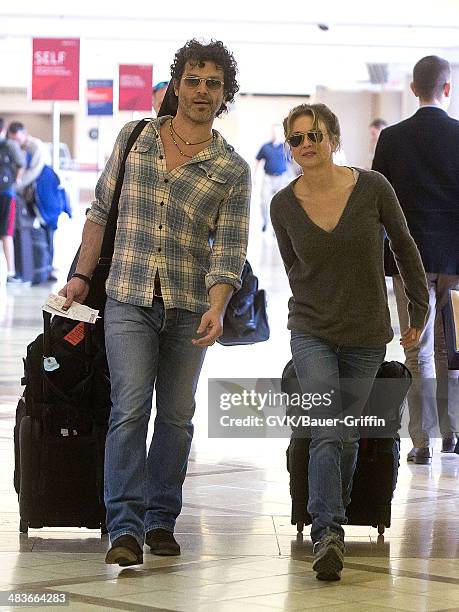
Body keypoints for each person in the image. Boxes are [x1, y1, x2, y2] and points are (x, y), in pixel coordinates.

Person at [58, 39, 251, 567]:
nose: (202, 91)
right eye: (194, 80)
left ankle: (161, 518)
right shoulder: (136, 137)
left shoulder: (230, 168)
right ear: (176, 85)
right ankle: (124, 526)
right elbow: (100, 211)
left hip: (191, 305)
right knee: (130, 408)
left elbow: (229, 249)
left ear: (224, 94)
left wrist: (217, 305)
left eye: (214, 83)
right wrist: (79, 276)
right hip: (129, 296)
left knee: (177, 415)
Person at [271, 103, 428, 581]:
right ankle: (327, 532)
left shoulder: (373, 188)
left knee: (344, 431)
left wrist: (418, 310)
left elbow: (403, 246)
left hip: (365, 334)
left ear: (334, 138)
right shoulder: (283, 205)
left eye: (314, 134)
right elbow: (293, 267)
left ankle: (330, 524)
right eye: (296, 139)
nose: (306, 145)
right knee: (328, 424)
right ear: (290, 149)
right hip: (312, 330)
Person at [372, 56, 459, 464]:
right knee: (451, 350)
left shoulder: (391, 139)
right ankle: (452, 434)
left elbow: (378, 206)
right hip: (455, 261)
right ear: (447, 89)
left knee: (417, 350)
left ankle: (420, 442)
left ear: (412, 88)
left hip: (408, 259)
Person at [8, 122, 71, 283]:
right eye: (12, 139)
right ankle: (43, 268)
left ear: (24, 134)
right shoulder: (18, 148)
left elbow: (33, 171)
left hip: (46, 194)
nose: (15, 142)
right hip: (34, 197)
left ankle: (48, 269)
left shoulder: (35, 147)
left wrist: (15, 187)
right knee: (40, 233)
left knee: (49, 231)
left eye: (17, 138)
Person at [0, 118, 24, 282]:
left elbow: (21, 165)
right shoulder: (9, 145)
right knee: (6, 233)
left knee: (6, 233)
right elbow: (21, 164)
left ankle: (11, 273)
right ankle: (11, 273)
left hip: (7, 193)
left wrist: (16, 181)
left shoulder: (9, 146)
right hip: (7, 193)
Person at [255, 125, 288, 231]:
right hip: (268, 179)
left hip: (281, 179)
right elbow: (257, 161)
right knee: (264, 201)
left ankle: (279, 227)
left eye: (278, 132)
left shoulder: (286, 147)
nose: (276, 134)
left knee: (281, 203)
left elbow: (294, 162)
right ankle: (265, 222)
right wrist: (254, 176)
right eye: (274, 132)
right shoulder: (265, 147)